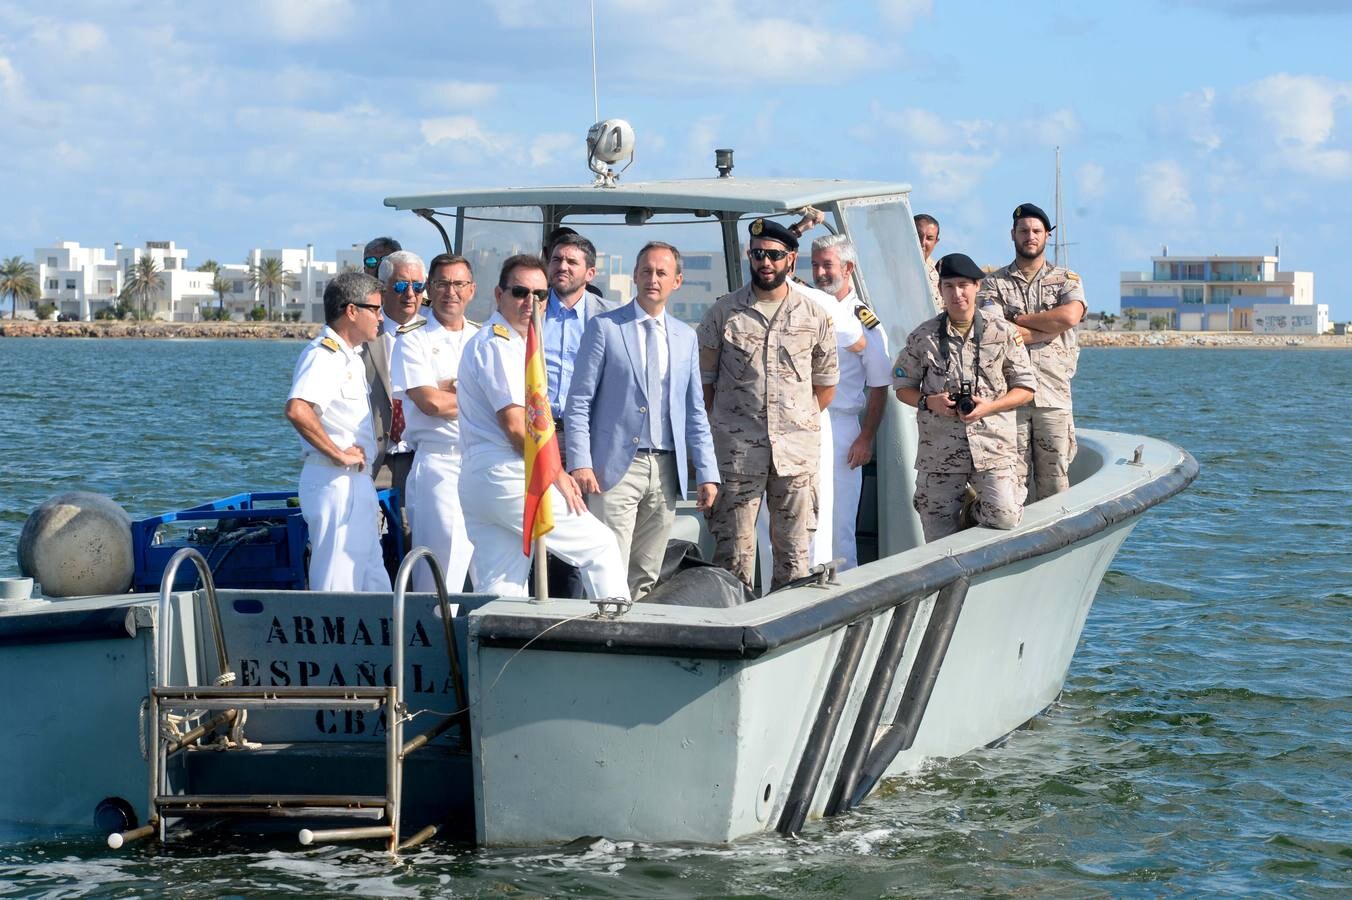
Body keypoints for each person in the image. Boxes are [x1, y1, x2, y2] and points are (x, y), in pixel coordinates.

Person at [456, 254, 629, 600]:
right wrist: (557, 474)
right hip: (507, 472)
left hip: (485, 477)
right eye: (520, 292)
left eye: (540, 294)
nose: (530, 302)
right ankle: (617, 641)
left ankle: (496, 653)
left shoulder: (512, 343)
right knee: (600, 547)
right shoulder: (499, 344)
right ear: (498, 294)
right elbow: (516, 425)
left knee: (502, 588)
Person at [565, 242, 720, 600]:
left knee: (647, 575)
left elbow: (694, 409)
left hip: (666, 471)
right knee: (608, 570)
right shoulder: (605, 327)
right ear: (635, 276)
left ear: (676, 281)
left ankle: (633, 643)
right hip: (615, 468)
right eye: (647, 271)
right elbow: (579, 401)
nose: (653, 279)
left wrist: (708, 473)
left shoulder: (685, 337)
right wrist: (580, 463)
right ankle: (600, 643)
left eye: (662, 273)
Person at [697, 218, 838, 591]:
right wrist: (730, 425)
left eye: (775, 255)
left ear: (791, 260)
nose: (766, 262)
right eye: (758, 254)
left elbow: (824, 387)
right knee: (733, 558)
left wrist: (792, 420)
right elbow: (704, 384)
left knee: (794, 559)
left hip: (795, 456)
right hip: (738, 456)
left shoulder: (814, 316)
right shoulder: (723, 313)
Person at [893, 253, 1036, 542]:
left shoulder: (1003, 332)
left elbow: (1026, 389)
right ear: (940, 290)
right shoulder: (923, 337)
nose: (957, 293)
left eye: (963, 285)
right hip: (940, 452)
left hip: (992, 448)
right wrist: (928, 401)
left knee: (1005, 516)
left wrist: (991, 406)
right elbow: (901, 386)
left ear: (977, 287)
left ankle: (972, 512)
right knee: (936, 534)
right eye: (949, 286)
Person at [284, 272, 392, 592]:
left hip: (356, 482)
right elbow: (298, 409)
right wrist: (338, 453)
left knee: (373, 580)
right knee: (338, 583)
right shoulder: (325, 355)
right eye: (375, 308)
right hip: (335, 480)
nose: (381, 316)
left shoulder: (350, 358)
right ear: (351, 311)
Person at [976, 203, 1086, 501]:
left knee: (1055, 484)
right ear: (1013, 234)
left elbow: (1069, 317)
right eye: (1023, 231)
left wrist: (1020, 321)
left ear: (1047, 236)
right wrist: (1049, 328)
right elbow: (996, 331)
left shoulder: (1066, 279)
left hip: (1053, 396)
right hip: (1011, 398)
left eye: (1036, 231)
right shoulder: (992, 284)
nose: (1030, 236)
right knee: (1012, 482)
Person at [390, 253, 479, 594]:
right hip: (440, 463)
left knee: (491, 566)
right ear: (429, 288)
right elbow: (430, 403)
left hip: (483, 461)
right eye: (442, 283)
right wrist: (481, 402)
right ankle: (435, 643)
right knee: (441, 577)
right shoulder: (413, 339)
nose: (450, 292)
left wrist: (454, 392)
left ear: (471, 290)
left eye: (458, 284)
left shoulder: (483, 337)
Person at [541, 231, 621, 597]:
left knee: (576, 526)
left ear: (590, 272)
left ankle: (572, 611)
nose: (562, 267)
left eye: (572, 262)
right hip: (536, 434)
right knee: (536, 524)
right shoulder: (530, 310)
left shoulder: (609, 320)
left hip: (582, 439)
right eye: (557, 260)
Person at [811, 233, 893, 570]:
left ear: (848, 268)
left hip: (842, 426)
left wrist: (866, 437)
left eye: (827, 265)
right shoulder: (808, 307)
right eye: (815, 265)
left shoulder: (864, 321)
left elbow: (879, 384)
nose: (820, 273)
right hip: (804, 424)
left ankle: (843, 590)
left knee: (839, 520)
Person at [914, 214, 942, 311]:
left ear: (936, 242)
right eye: (918, 236)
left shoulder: (940, 272)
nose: (922, 242)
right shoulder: (889, 268)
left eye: (929, 238)